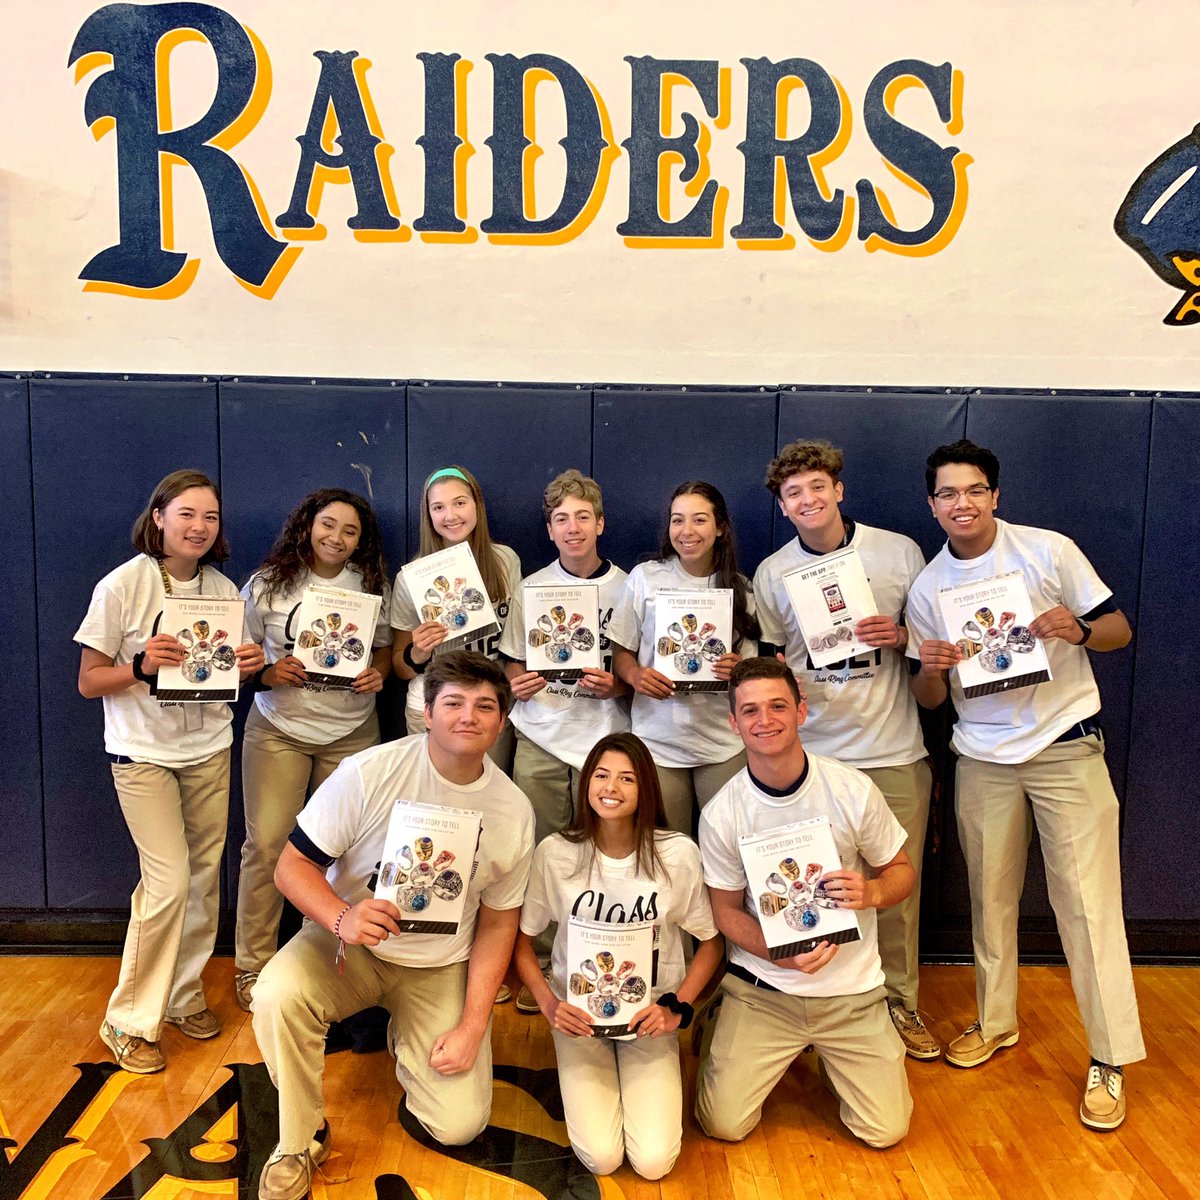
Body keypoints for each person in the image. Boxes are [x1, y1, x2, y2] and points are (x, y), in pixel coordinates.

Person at [905, 438, 1144, 1131]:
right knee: (990, 901)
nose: (962, 504)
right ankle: (996, 1020)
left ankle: (1109, 1057)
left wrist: (1079, 629)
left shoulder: (1047, 549)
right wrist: (931, 668)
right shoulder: (928, 587)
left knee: (1089, 907)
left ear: (995, 496)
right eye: (948, 494)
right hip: (981, 756)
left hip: (1065, 744)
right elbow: (927, 698)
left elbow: (1120, 630)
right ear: (932, 505)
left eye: (974, 490)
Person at [251, 651, 533, 1200]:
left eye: (484, 706)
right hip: (350, 945)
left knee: (459, 1126)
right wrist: (342, 915)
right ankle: (299, 1138)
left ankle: (412, 1039)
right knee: (277, 994)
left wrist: (473, 1024)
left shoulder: (513, 810)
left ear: (503, 721)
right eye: (453, 703)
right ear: (427, 712)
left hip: (439, 965)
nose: (468, 717)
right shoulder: (368, 771)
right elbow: (291, 866)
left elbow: (500, 923)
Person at [753, 439, 938, 1060]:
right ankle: (820, 1005)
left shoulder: (897, 552)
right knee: (815, 886)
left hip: (891, 747)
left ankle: (901, 1005)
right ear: (783, 506)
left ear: (839, 490)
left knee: (894, 889)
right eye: (793, 493)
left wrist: (904, 634)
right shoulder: (773, 572)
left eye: (817, 487)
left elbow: (935, 641)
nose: (807, 500)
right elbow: (776, 659)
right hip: (817, 755)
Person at [75, 469, 264, 1075]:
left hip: (208, 747)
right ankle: (127, 1020)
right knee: (168, 882)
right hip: (142, 755)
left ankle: (183, 996)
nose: (199, 527)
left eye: (210, 517)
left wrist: (250, 664)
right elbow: (88, 681)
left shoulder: (223, 589)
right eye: (186, 514)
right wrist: (138, 664)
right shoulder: (122, 586)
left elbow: (225, 673)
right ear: (158, 516)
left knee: (204, 878)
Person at [695, 657, 914, 1149]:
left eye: (777, 706)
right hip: (765, 992)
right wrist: (778, 951)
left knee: (885, 1132)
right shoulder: (723, 812)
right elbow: (725, 911)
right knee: (723, 1125)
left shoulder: (850, 788)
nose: (764, 720)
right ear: (734, 724)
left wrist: (873, 892)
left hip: (851, 994)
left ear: (801, 711)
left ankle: (836, 1055)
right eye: (750, 711)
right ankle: (724, 1023)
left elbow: (902, 872)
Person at [514, 732, 722, 1180]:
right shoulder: (555, 853)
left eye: (627, 778)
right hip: (579, 1021)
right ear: (586, 782)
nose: (611, 788)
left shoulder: (677, 854)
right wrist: (550, 1004)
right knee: (602, 1158)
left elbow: (711, 942)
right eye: (602, 776)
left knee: (652, 1162)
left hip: (650, 1019)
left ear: (646, 788)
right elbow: (521, 942)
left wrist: (678, 1007)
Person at [234, 488, 392, 1013]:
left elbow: (387, 653)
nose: (337, 538)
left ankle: (324, 962)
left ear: (361, 541)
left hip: (350, 733)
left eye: (350, 531)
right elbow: (235, 658)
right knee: (268, 848)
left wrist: (378, 675)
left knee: (342, 858)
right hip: (279, 728)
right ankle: (252, 965)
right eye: (328, 525)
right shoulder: (266, 584)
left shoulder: (372, 584)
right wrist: (265, 673)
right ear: (306, 524)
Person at [497, 469, 631, 1011]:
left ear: (600, 523)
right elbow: (509, 662)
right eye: (560, 520)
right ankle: (544, 962)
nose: (572, 528)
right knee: (541, 855)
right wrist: (516, 681)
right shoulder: (532, 587)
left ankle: (601, 957)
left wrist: (617, 683)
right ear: (549, 530)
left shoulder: (629, 587)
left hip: (607, 740)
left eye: (582, 517)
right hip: (542, 738)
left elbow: (639, 668)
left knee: (606, 855)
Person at [610, 481, 759, 834]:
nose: (687, 531)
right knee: (666, 850)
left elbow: (751, 671)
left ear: (720, 527)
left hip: (722, 743)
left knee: (725, 848)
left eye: (700, 520)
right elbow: (621, 652)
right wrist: (635, 676)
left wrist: (739, 670)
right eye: (678, 520)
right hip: (657, 742)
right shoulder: (645, 578)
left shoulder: (740, 587)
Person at [391, 466, 521, 770]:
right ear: (429, 515)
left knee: (486, 800)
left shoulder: (505, 560)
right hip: (436, 705)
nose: (451, 515)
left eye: (460, 503)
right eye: (438, 507)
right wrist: (417, 652)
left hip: (490, 703)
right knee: (433, 805)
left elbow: (518, 640)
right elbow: (400, 666)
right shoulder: (411, 577)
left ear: (477, 505)